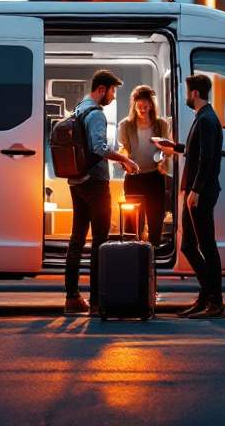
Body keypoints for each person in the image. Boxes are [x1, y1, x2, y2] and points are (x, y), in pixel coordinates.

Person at [64, 69, 141, 315]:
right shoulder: (95, 113)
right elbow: (98, 148)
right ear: (101, 89)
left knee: (76, 240)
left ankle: (72, 297)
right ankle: (97, 302)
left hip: (77, 182)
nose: (113, 96)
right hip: (96, 184)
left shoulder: (79, 108)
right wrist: (124, 160)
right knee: (100, 242)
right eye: (112, 91)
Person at [177, 73, 225, 318]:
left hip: (201, 193)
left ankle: (215, 302)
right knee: (188, 245)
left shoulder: (206, 119)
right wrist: (175, 148)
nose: (187, 97)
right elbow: (197, 151)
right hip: (195, 192)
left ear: (195, 93)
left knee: (207, 246)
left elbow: (207, 158)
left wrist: (195, 190)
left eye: (188, 93)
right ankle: (206, 296)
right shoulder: (204, 117)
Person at [117, 85, 172, 244]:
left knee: (156, 219)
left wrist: (163, 159)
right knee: (133, 221)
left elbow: (167, 149)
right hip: (134, 177)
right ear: (134, 106)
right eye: (139, 106)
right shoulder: (125, 125)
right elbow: (123, 148)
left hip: (155, 177)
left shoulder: (161, 124)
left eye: (146, 107)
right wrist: (125, 160)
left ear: (152, 106)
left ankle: (153, 252)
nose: (143, 110)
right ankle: (133, 254)